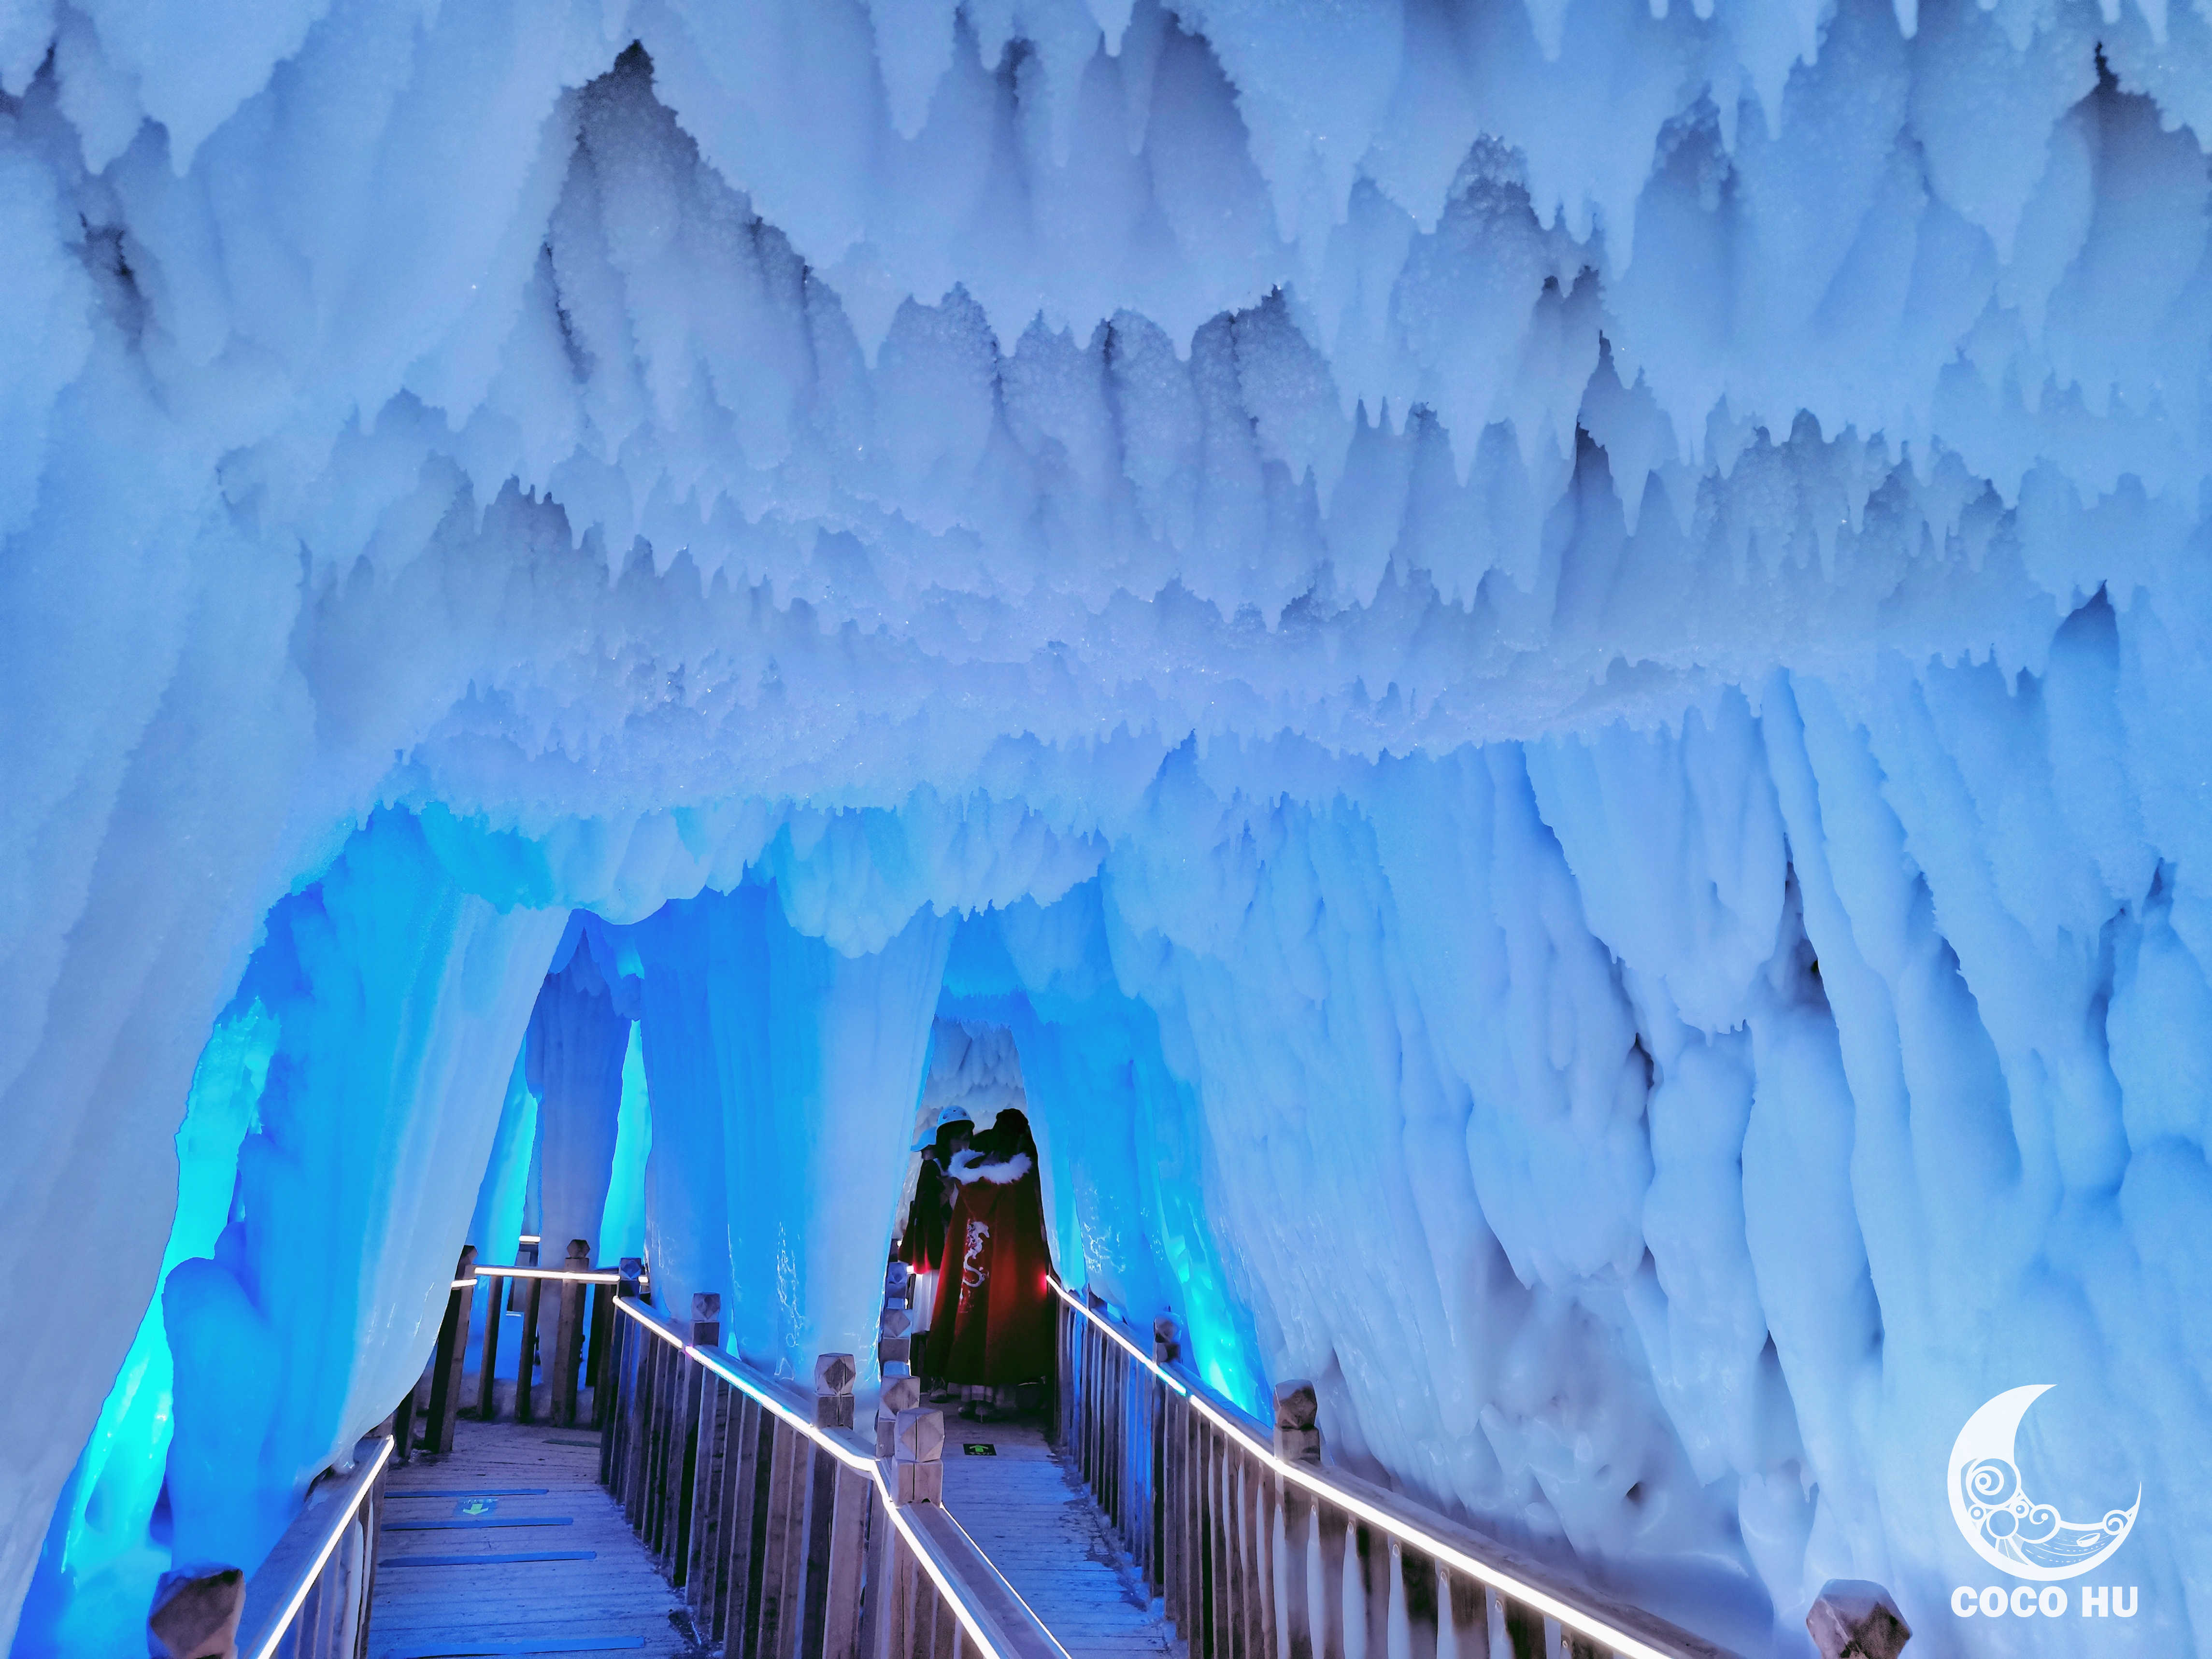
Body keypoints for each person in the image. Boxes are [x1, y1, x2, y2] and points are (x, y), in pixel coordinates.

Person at [922, 1109, 1053, 1418]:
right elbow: (1023, 1235)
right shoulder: (1017, 1182)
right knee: (997, 1320)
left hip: (970, 1263)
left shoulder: (972, 1177)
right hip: (1001, 1268)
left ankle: (968, 1397)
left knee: (969, 1319)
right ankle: (992, 1400)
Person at [899, 1109, 971, 1341]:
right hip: (939, 1252)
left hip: (961, 1251)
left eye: (967, 1137)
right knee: (935, 1313)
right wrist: (946, 1200)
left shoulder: (967, 1168)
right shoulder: (934, 1169)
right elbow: (926, 1211)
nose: (963, 1144)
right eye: (958, 1138)